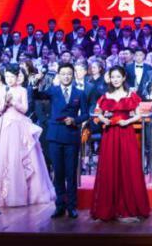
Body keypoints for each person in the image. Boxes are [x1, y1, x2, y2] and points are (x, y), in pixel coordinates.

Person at [0, 63, 56, 207]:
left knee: (21, 157)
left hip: (19, 125)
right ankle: (2, 195)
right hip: (4, 126)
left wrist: (13, 102)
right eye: (7, 77)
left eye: (12, 77)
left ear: (17, 77)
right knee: (2, 159)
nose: (9, 79)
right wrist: (4, 103)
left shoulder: (22, 90)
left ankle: (25, 194)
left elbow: (25, 109)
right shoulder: (2, 90)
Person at [91, 66, 150, 222]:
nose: (115, 80)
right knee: (109, 167)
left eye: (118, 77)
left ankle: (127, 208)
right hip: (110, 134)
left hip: (126, 133)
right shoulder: (105, 95)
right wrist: (105, 120)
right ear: (109, 79)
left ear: (124, 78)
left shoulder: (131, 95)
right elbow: (98, 114)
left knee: (127, 166)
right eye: (113, 77)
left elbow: (138, 115)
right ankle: (108, 208)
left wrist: (127, 121)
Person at [37, 62, 88, 218]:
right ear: (59, 75)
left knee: (71, 173)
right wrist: (35, 82)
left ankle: (72, 206)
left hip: (71, 136)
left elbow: (86, 114)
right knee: (58, 173)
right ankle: (59, 206)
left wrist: (75, 120)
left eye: (69, 74)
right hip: (55, 136)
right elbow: (37, 96)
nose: (66, 77)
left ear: (73, 76)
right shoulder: (53, 90)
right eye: (63, 74)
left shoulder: (80, 93)